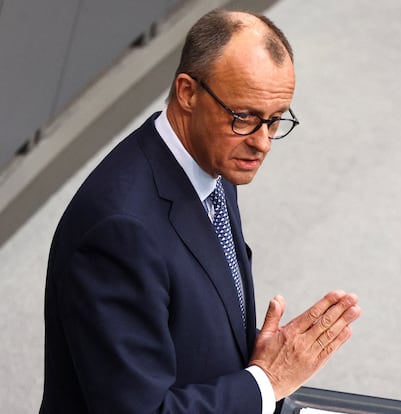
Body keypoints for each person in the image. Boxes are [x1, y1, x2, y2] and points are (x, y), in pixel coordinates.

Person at [39, 8, 361, 414]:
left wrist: (252, 360)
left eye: (275, 121)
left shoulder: (215, 160)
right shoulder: (119, 231)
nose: (262, 143)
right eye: (245, 117)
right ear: (188, 93)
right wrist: (266, 382)